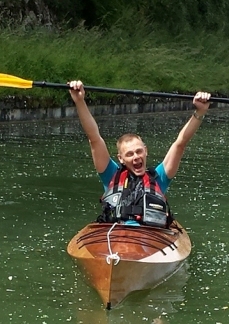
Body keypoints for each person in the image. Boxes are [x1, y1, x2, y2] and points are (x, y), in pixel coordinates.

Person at [68, 79, 210, 227]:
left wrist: (200, 112)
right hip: (116, 233)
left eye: (139, 151)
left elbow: (180, 143)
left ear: (145, 151)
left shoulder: (159, 177)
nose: (136, 157)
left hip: (150, 236)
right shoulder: (110, 174)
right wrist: (79, 101)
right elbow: (94, 138)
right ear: (121, 159)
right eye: (129, 154)